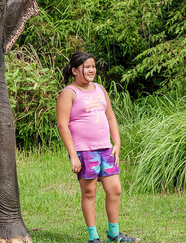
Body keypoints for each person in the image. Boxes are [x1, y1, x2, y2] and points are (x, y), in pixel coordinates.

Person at [56, 52, 140, 243]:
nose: (92, 70)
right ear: (75, 70)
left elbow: (110, 116)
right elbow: (63, 126)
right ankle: (93, 237)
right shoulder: (68, 93)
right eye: (87, 67)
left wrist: (116, 143)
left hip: (105, 148)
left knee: (115, 189)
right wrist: (73, 155)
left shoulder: (100, 89)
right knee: (89, 192)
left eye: (93, 66)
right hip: (84, 151)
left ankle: (114, 234)